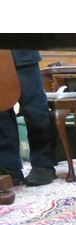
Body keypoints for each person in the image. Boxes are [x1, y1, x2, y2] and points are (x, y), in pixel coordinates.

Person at [0, 50, 57, 186]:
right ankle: (9, 167)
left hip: (22, 51)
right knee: (1, 112)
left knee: (35, 110)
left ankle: (43, 164)